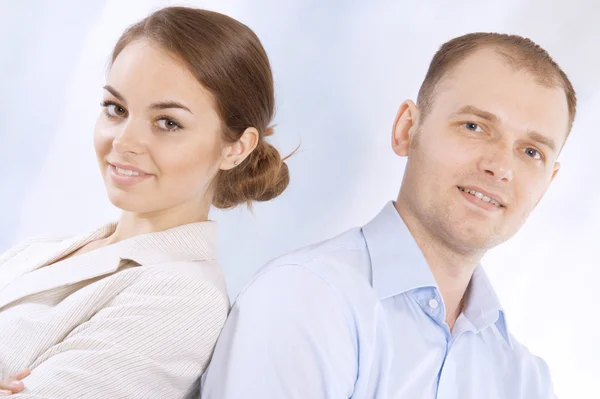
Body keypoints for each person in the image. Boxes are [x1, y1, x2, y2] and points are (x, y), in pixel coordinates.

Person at [201, 33, 575, 398]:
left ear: (548, 182)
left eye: (531, 152)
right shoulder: (304, 299)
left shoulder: (527, 380)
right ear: (406, 129)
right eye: (474, 127)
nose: (500, 166)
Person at [0, 6, 289, 398]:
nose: (123, 142)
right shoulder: (38, 251)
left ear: (236, 147)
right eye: (116, 109)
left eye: (168, 122)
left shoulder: (183, 298)